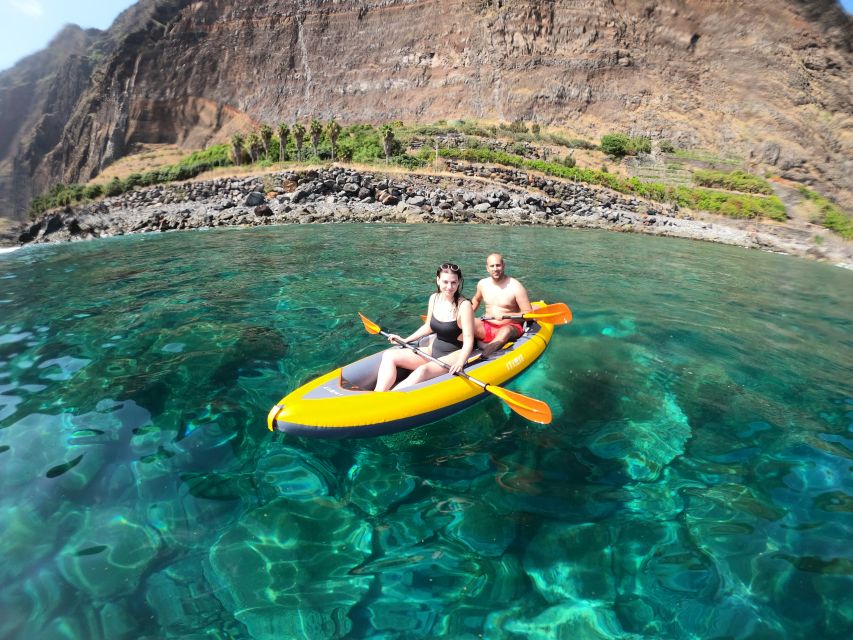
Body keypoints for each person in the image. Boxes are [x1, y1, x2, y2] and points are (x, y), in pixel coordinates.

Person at [374, 262, 475, 391]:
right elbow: (428, 327)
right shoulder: (434, 298)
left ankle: (389, 398)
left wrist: (460, 362)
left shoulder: (464, 306)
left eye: (453, 282)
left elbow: (469, 339)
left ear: (459, 282)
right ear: (438, 280)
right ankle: (378, 393)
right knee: (389, 355)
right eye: (445, 282)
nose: (449, 287)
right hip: (434, 349)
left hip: (454, 354)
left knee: (422, 371)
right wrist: (405, 340)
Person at [471, 253, 532, 357]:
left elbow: (528, 313)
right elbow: (476, 299)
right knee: (464, 323)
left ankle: (481, 358)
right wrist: (467, 313)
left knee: (505, 331)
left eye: (498, 265)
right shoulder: (482, 284)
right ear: (487, 268)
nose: (495, 269)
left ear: (503, 266)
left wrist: (506, 316)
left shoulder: (515, 286)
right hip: (487, 325)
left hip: (510, 327)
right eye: (492, 266)